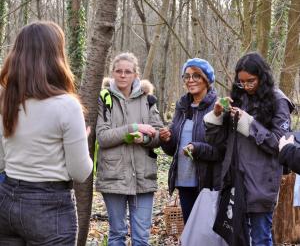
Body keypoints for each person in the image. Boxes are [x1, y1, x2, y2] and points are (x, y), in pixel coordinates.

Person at [0, 21, 93, 245]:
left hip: (6, 203)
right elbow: (80, 172)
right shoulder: (66, 105)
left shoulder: (5, 100)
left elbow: (1, 161)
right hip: (49, 209)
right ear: (56, 55)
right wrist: (83, 139)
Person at [204, 52, 294, 246]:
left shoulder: (279, 101)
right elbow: (218, 141)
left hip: (262, 181)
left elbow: (281, 145)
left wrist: (249, 123)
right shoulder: (239, 97)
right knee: (236, 238)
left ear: (262, 76)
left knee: (261, 238)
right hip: (235, 180)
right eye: (241, 82)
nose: (246, 86)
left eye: (251, 81)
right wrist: (217, 115)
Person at [95, 52, 163, 246]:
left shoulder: (148, 99)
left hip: (143, 176)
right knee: (117, 233)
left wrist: (144, 139)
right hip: (113, 175)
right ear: (113, 73)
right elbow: (103, 137)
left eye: (128, 72)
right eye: (119, 71)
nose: (123, 75)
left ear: (135, 74)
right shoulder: (104, 98)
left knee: (142, 237)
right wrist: (133, 128)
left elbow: (158, 135)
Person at [159, 58, 225, 224]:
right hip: (184, 179)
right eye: (187, 76)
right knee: (190, 229)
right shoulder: (182, 107)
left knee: (206, 231)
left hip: (207, 180)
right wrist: (167, 140)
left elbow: (221, 150)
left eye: (196, 76)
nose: (190, 80)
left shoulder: (217, 108)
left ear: (206, 79)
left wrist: (196, 148)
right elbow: (173, 148)